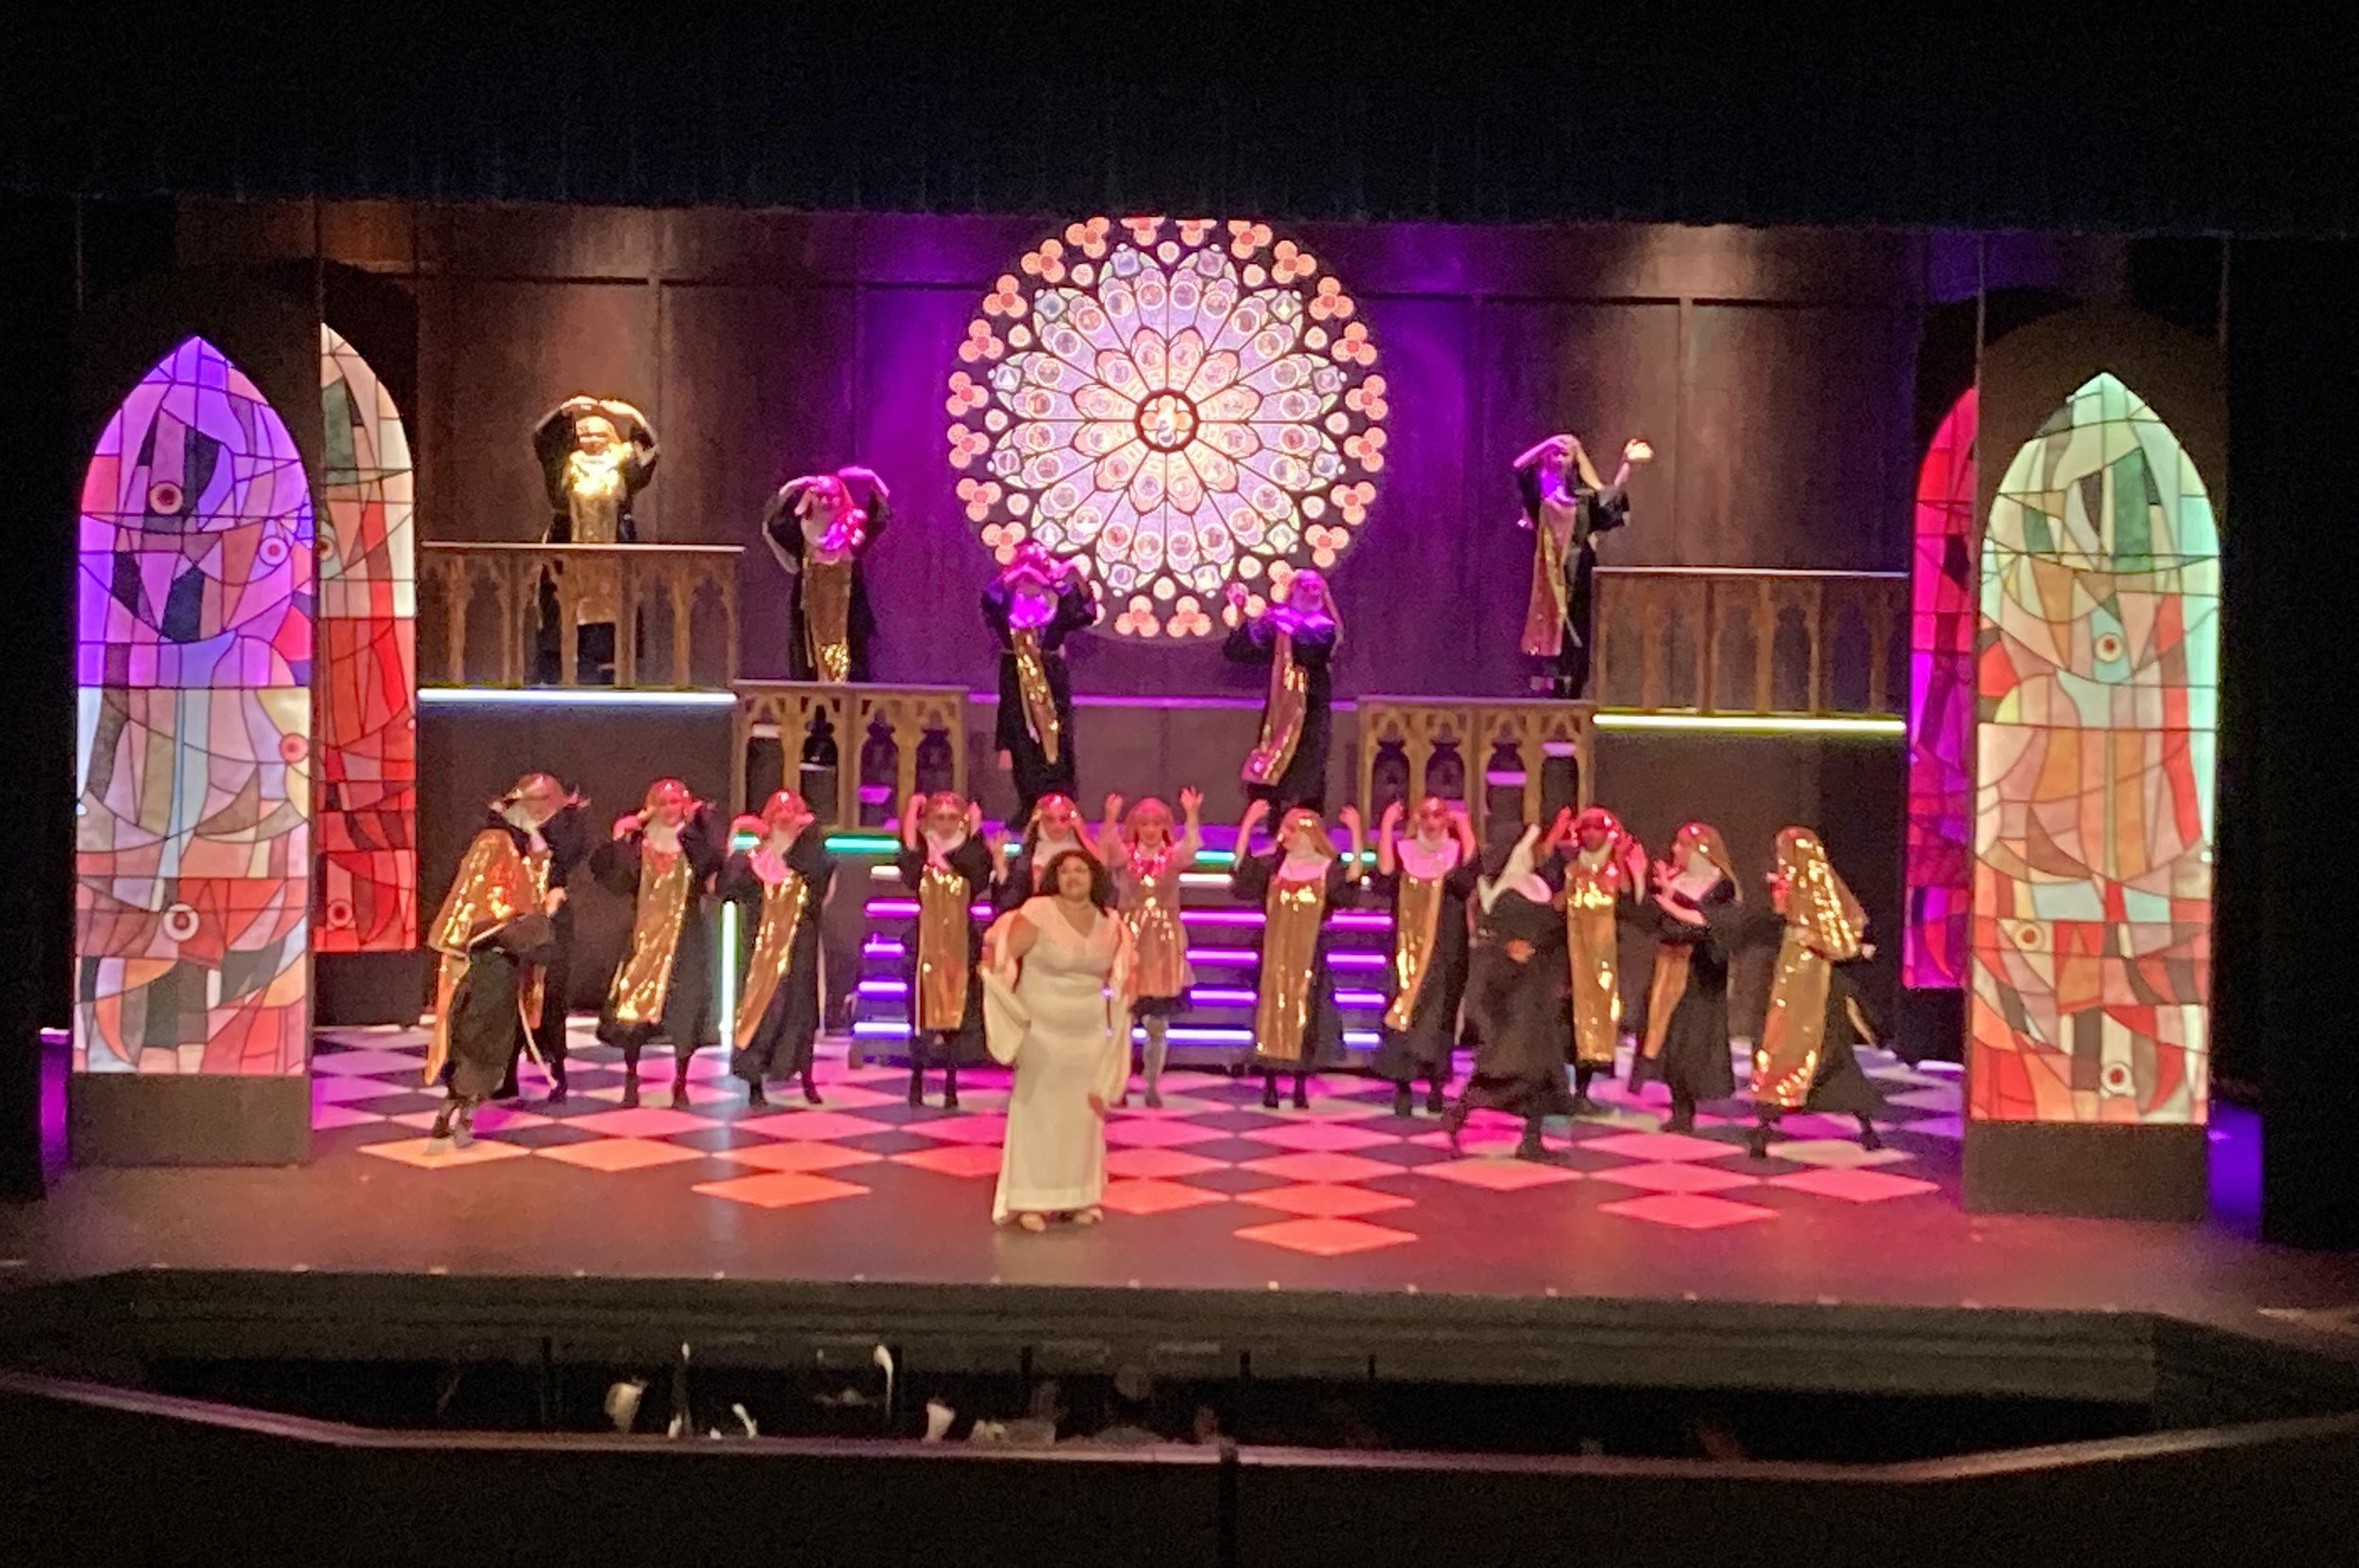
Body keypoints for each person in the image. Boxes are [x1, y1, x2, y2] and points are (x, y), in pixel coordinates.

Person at [1705, 827, 1890, 1159]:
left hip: (1816, 991)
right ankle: (1769, 1123)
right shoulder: (1793, 886)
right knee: (1791, 1049)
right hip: (1792, 983)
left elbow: (1837, 941)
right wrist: (1783, 900)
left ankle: (1777, 1124)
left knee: (1822, 1055)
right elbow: (1783, 920)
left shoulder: (1818, 892)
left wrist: (1804, 930)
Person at [981, 847, 1134, 1231]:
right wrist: (998, 984)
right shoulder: (1038, 911)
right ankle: (1030, 1201)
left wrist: (1125, 996)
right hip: (1042, 1033)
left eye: (1081, 870)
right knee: (1039, 1114)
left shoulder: (1110, 922)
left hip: (1088, 1034)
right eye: (1065, 871)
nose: (1073, 877)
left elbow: (1123, 973)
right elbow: (1005, 955)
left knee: (1083, 1119)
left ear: (1094, 877)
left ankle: (1079, 1197)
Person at [423, 792, 567, 1145]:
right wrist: (545, 912)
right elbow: (513, 922)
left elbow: (525, 893)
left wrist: (534, 843)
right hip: (488, 978)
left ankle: (450, 1111)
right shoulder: (494, 856)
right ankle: (462, 1117)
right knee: (480, 1045)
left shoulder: (501, 856)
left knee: (472, 1045)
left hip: (488, 977)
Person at [1444, 824, 1577, 1160]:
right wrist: (1509, 949)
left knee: (1539, 1073)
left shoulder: (1538, 889)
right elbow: (1494, 940)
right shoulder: (1508, 895)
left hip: (1538, 990)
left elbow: (1547, 932)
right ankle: (1460, 1113)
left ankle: (1531, 1140)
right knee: (1512, 1070)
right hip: (1515, 996)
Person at [590, 779, 724, 1109]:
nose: (668, 809)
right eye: (662, 804)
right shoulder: (640, 843)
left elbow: (711, 867)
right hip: (645, 937)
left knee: (686, 1007)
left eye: (675, 802)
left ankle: (680, 1081)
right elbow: (614, 878)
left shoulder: (693, 841)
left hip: (686, 938)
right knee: (633, 1010)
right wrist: (621, 837)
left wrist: (694, 828)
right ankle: (631, 1076)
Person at [1230, 799, 1364, 1109]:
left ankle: (1300, 1083)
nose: (1285, 835)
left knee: (1307, 1017)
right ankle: (1270, 1082)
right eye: (1284, 829)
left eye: (1292, 829)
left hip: (1309, 957)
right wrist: (1247, 824)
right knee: (1272, 1015)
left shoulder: (1326, 869)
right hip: (1274, 956)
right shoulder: (1274, 866)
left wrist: (1356, 832)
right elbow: (1241, 869)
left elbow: (1352, 879)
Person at [719, 790, 837, 1109]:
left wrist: (808, 832)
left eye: (790, 813)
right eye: (778, 813)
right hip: (759, 954)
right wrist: (736, 837)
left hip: (799, 949)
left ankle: (805, 1076)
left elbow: (821, 880)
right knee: (761, 1014)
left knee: (800, 1012)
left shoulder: (811, 858)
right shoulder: (754, 860)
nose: (784, 818)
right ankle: (754, 1083)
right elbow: (727, 888)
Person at [531, 394, 661, 684]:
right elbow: (543, 441)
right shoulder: (565, 465)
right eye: (585, 433)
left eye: (599, 434)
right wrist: (565, 411)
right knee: (563, 620)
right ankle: (560, 678)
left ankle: (611, 676)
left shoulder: (623, 465)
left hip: (612, 561)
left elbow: (649, 454)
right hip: (568, 558)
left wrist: (633, 417)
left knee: (612, 628)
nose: (591, 439)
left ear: (610, 437)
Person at [1625, 822, 1743, 1134]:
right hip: (1668, 970)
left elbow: (1709, 926)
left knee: (1690, 1040)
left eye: (1681, 844)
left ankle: (1686, 1107)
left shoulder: (1720, 886)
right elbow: (1650, 920)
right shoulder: (1676, 881)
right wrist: (1640, 877)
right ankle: (1679, 1106)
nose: (1674, 849)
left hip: (1698, 976)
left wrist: (1669, 901)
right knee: (1670, 1040)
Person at [1514, 432, 1650, 700]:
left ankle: (1573, 691)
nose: (1558, 455)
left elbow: (1609, 502)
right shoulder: (1540, 497)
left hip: (1579, 573)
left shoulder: (1583, 498)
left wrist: (1625, 465)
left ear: (1575, 459)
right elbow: (1519, 468)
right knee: (1550, 633)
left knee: (1578, 631)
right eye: (1554, 452)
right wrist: (1549, 443)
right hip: (1548, 576)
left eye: (1565, 452)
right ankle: (1549, 691)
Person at [482, 773, 592, 1105]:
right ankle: (508, 1075)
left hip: (554, 925)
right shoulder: (506, 828)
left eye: (545, 800)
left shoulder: (568, 826)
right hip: (516, 921)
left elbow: (567, 859)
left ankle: (558, 1073)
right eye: (531, 800)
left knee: (552, 999)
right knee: (513, 998)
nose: (538, 807)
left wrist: (538, 835)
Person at [1368, 795, 1480, 1118]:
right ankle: (1402, 1087)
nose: (1431, 822)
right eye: (1425, 815)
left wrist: (1465, 828)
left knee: (1439, 1019)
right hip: (1405, 949)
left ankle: (1435, 1087)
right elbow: (1385, 874)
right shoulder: (1405, 851)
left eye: (1438, 815)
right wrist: (1387, 826)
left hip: (1444, 951)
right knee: (1404, 1013)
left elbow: (1470, 876)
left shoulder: (1454, 852)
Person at [983, 542, 1099, 833]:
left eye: (1034, 576)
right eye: (1024, 577)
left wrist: (1074, 576)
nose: (1029, 583)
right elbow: (990, 600)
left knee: (1057, 741)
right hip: (1016, 677)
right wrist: (1011, 575)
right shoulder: (1006, 604)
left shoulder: (1057, 604)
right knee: (1022, 741)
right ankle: (1028, 806)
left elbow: (1087, 612)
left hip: (1051, 678)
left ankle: (1061, 804)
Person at [1098, 789, 1204, 1109]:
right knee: (1123, 1020)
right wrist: (1110, 818)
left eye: (1156, 824)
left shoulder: (1172, 856)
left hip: (1163, 942)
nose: (1150, 830)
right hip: (1131, 941)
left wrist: (1192, 814)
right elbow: (1107, 852)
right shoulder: (1126, 855)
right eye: (1144, 824)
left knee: (1157, 1022)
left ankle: (1152, 1084)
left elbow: (1190, 848)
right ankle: (1118, 1083)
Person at [895, 791, 995, 1108]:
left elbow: (978, 874)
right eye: (940, 817)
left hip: (960, 942)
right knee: (920, 1013)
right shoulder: (923, 850)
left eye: (953, 818)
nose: (947, 823)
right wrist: (911, 812)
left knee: (958, 1013)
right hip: (924, 941)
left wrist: (975, 832)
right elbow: (909, 860)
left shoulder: (972, 853)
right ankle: (917, 1079)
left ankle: (951, 1083)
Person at [1225, 569, 1341, 814]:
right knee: (1274, 769)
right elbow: (1240, 651)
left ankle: (1308, 826)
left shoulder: (1325, 627)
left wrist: (1285, 624)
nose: (1311, 591)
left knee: (1307, 771)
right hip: (1280, 708)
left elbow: (1310, 651)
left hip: (1310, 710)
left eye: (1316, 587)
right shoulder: (1278, 623)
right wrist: (1240, 610)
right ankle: (1274, 824)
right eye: (1305, 586)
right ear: (1294, 590)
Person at [1557, 805, 1648, 1114]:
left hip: (1603, 960)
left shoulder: (1614, 868)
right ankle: (1563, 1089)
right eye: (1586, 828)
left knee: (1594, 1022)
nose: (1591, 834)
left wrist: (1623, 863)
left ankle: (1582, 1090)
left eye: (1598, 828)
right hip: (1568, 959)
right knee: (1566, 1022)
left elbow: (1629, 904)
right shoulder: (1569, 868)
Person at [762, 466, 890, 683]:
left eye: (831, 496)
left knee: (852, 665)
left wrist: (872, 479)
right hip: (810, 615)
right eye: (820, 495)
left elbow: (880, 518)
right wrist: (790, 488)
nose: (826, 501)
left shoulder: (853, 529)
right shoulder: (799, 531)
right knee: (808, 668)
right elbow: (773, 523)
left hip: (847, 614)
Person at [993, 792, 1096, 917]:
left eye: (1063, 819)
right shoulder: (1027, 857)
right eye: (1050, 819)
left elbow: (1103, 892)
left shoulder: (1085, 855)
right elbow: (1010, 903)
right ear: (1040, 821)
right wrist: (1001, 868)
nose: (1057, 825)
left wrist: (1084, 836)